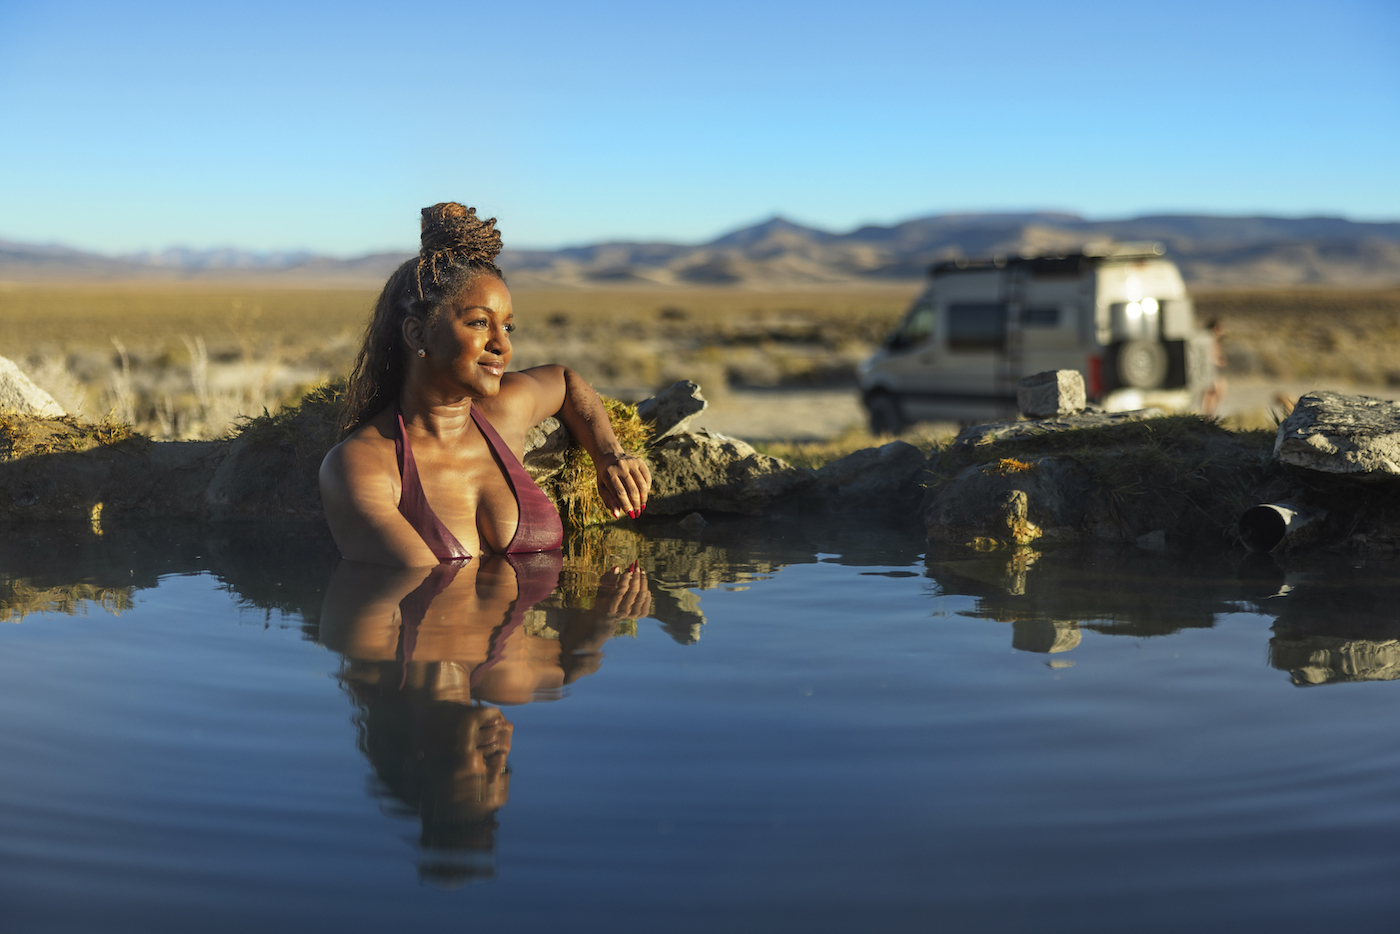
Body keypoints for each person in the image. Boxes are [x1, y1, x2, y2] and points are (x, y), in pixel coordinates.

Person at [320, 203, 651, 566]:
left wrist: (609, 454)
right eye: (479, 323)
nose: (502, 345)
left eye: (507, 327)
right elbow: (423, 589)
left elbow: (564, 380)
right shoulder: (362, 465)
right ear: (417, 334)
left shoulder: (502, 412)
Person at [1200, 319, 1228, 416]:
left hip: (1212, 371)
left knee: (1215, 392)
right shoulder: (1209, 341)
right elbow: (1208, 357)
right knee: (1212, 392)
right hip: (1208, 371)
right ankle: (1207, 415)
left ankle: (1209, 414)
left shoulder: (1214, 341)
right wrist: (1218, 362)